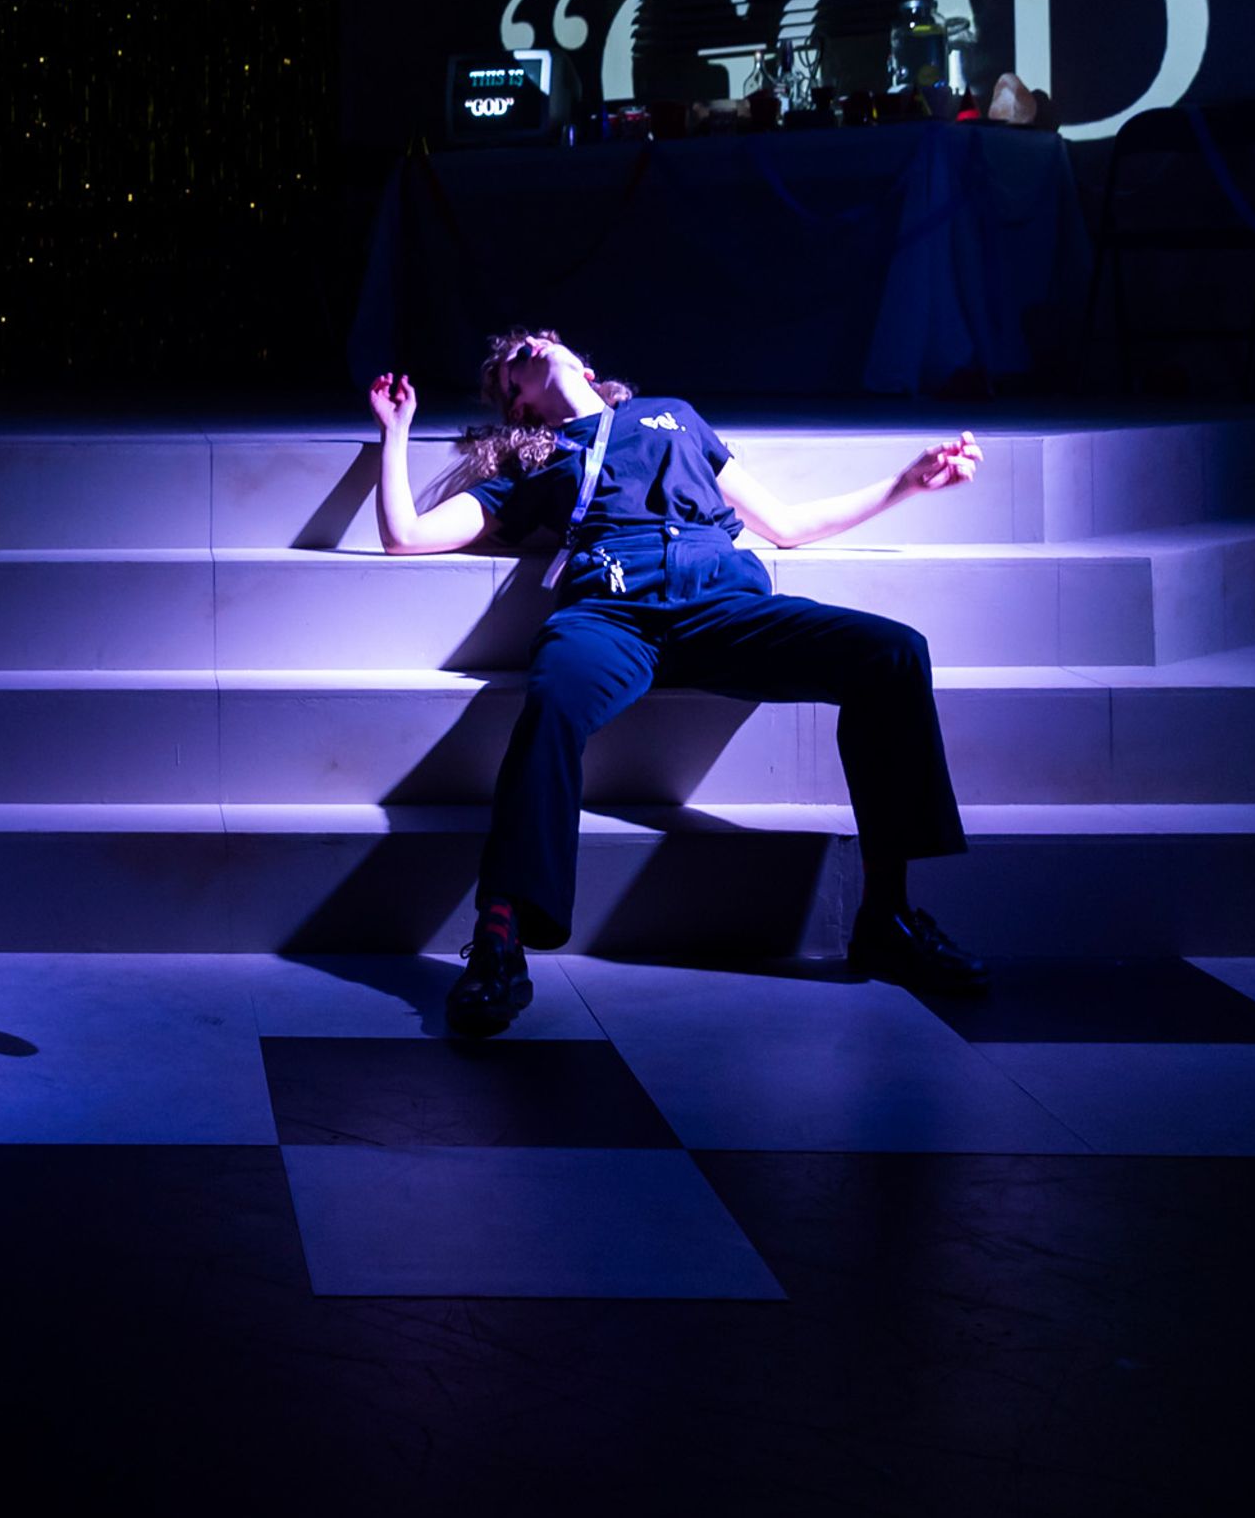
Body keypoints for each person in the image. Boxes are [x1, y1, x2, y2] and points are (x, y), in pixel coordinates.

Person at [366, 327, 989, 1036]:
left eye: (540, 339)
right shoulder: (538, 459)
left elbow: (782, 526)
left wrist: (906, 485)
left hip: (719, 602)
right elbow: (405, 536)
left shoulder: (671, 416)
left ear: (583, 361)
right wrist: (397, 433)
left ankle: (889, 918)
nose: (532, 343)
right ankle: (501, 938)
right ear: (520, 404)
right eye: (514, 359)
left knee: (895, 654)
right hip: (610, 610)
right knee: (553, 703)